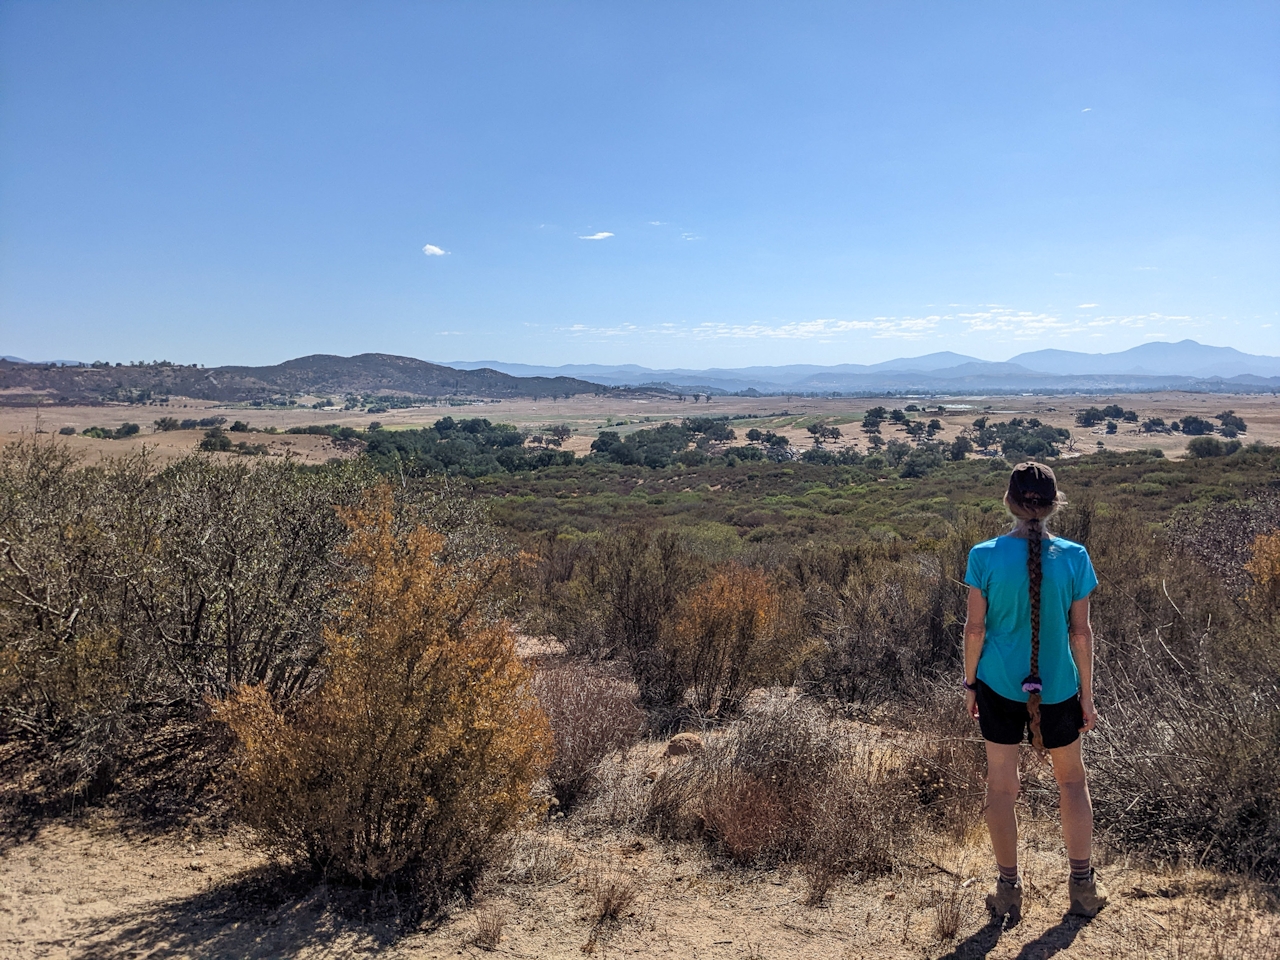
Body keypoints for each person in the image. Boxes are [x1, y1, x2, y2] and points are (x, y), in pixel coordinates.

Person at [962, 461, 1107, 921]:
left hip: (998, 684)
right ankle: (1082, 887)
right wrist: (1086, 694)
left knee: (1001, 787)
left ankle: (1008, 890)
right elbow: (1081, 634)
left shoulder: (983, 555)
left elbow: (974, 630)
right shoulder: (1075, 556)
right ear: (1052, 505)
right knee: (1072, 782)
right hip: (1060, 686)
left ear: (1008, 501)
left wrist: (970, 684)